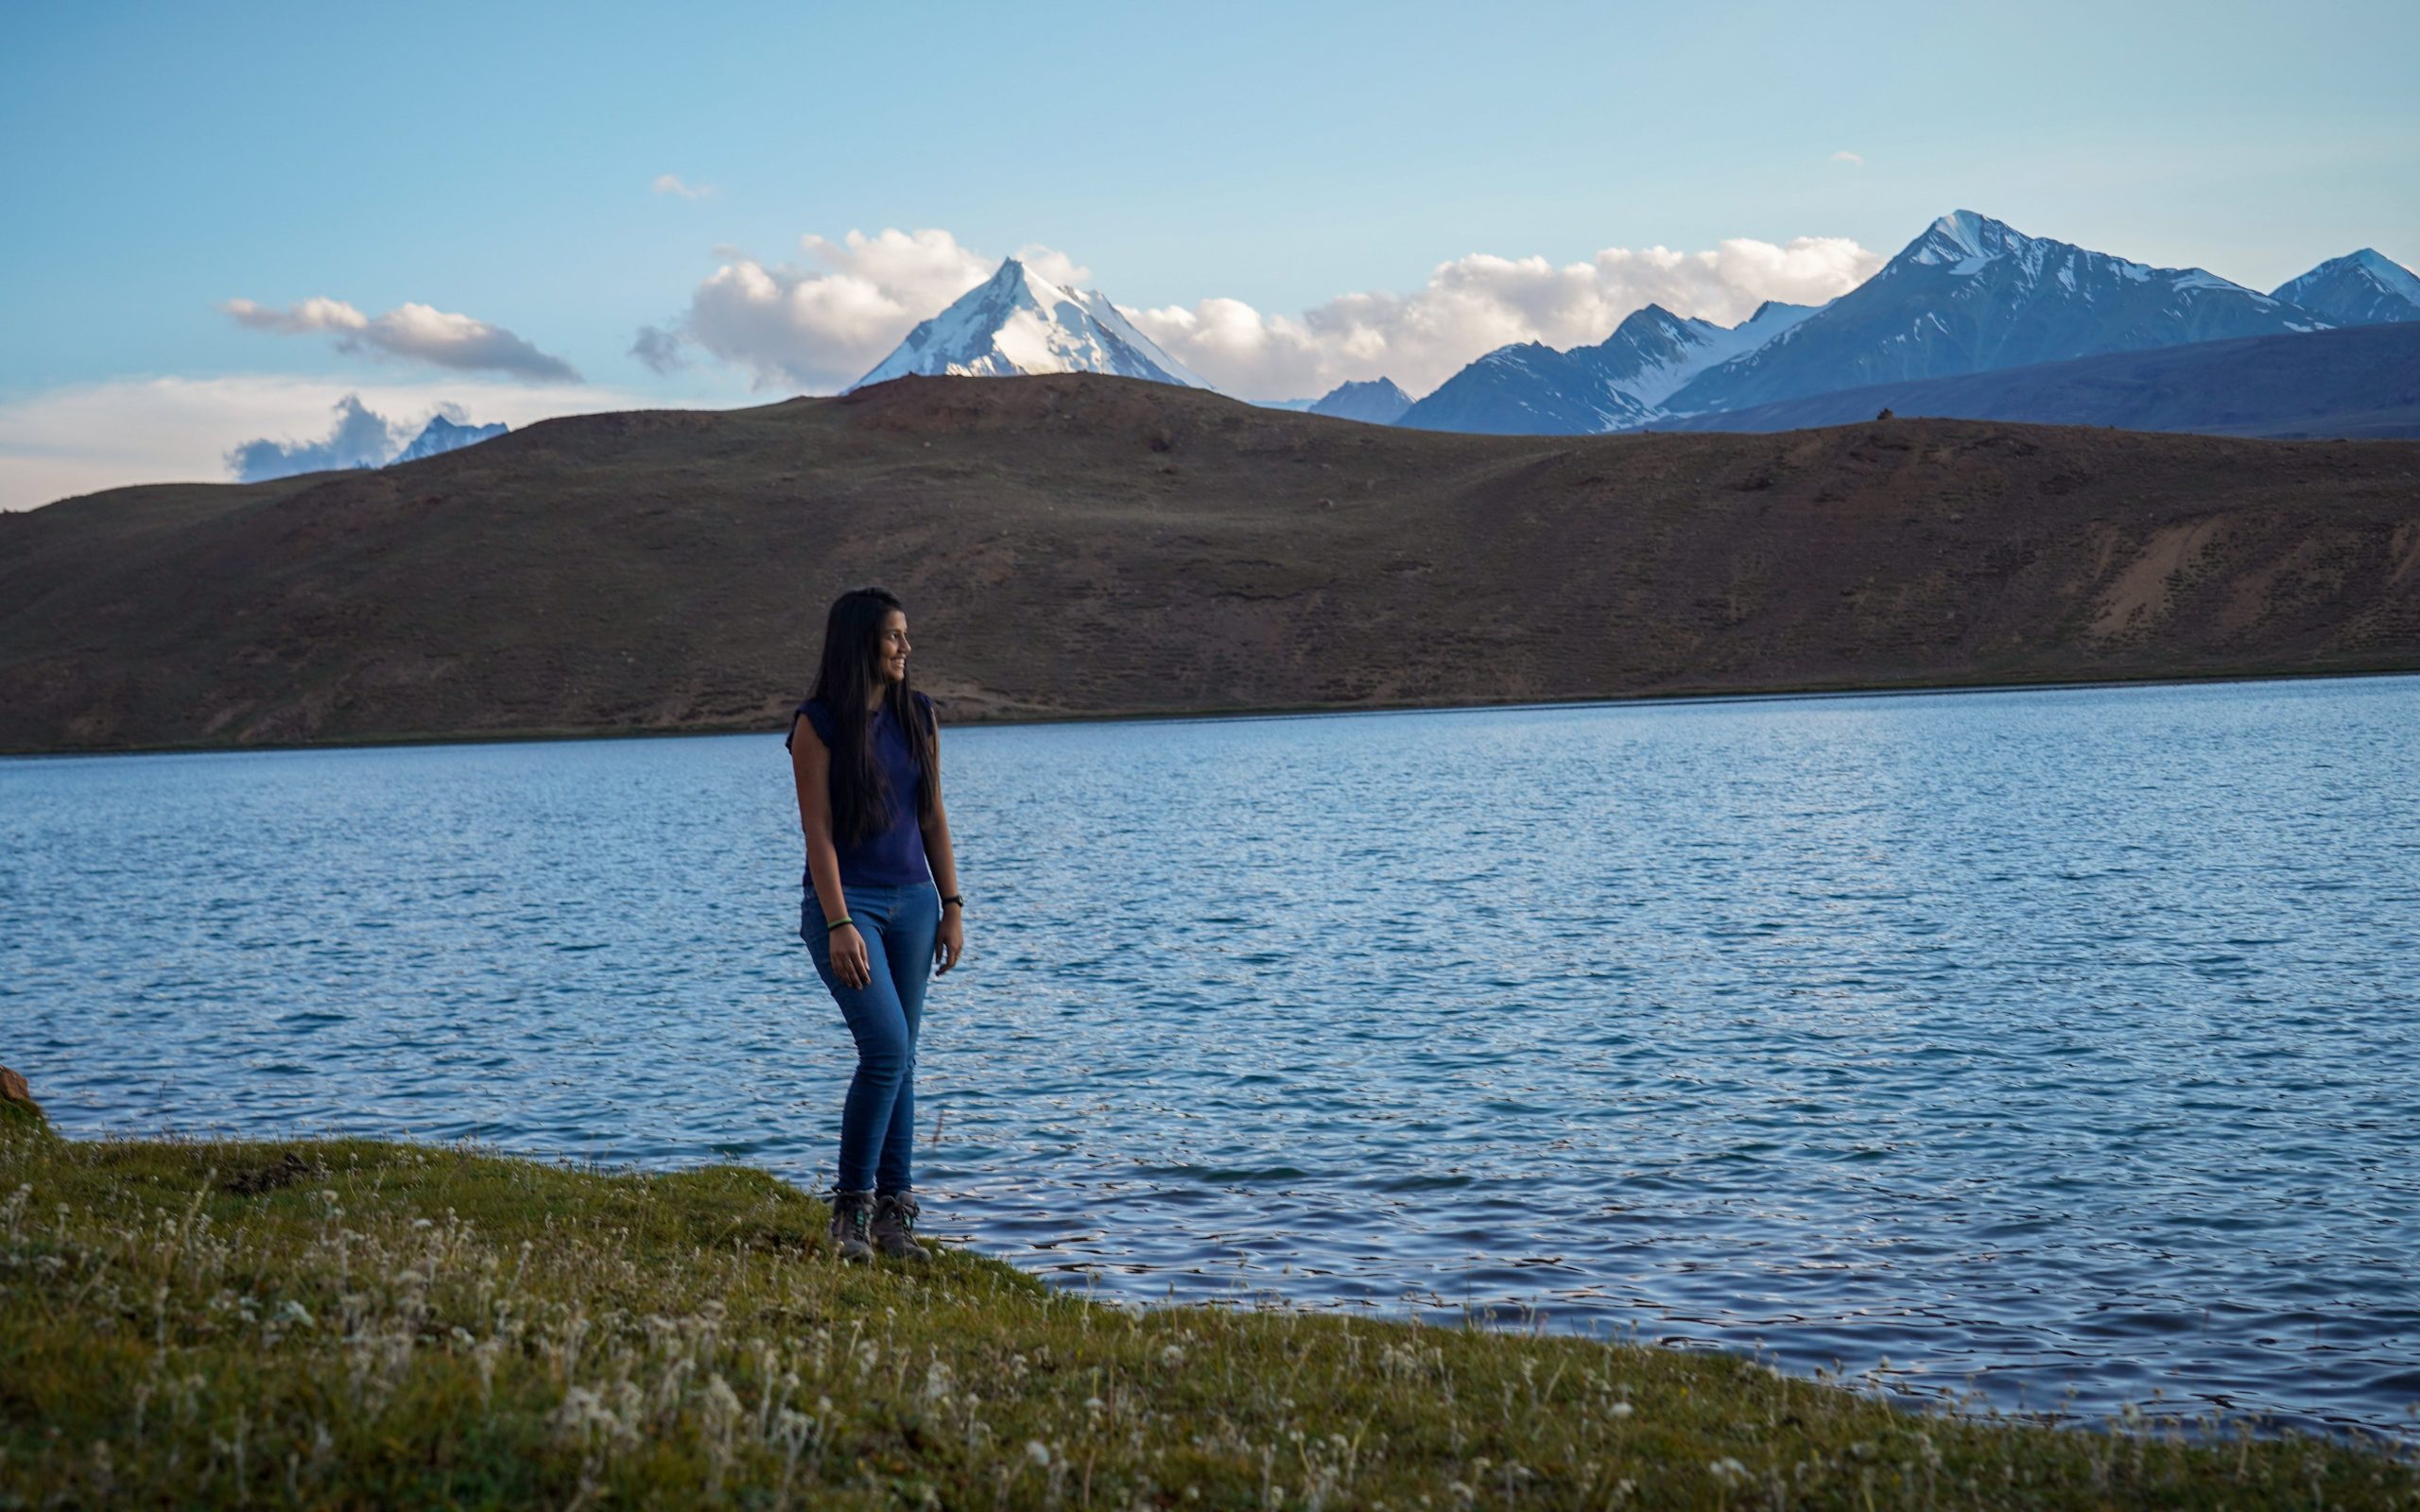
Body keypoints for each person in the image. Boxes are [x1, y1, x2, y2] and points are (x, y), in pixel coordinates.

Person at [786, 586, 965, 1261]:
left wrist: (952, 906)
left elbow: (933, 818)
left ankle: (895, 1217)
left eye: (906, 636)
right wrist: (837, 923)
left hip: (917, 904)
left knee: (904, 1062)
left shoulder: (919, 715)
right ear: (862, 642)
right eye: (894, 636)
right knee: (887, 1050)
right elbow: (819, 836)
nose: (905, 648)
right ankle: (850, 1213)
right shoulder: (818, 724)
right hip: (846, 905)